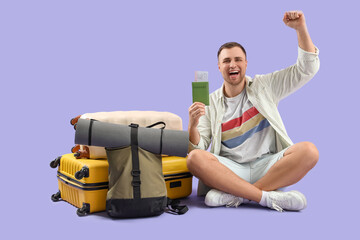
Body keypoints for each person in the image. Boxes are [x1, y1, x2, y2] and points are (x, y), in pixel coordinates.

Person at [187, 10, 320, 212]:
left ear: (246, 64)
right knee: (194, 159)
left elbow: (306, 70)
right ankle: (267, 197)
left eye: (238, 59)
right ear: (219, 67)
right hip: (231, 171)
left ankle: (239, 196)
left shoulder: (264, 86)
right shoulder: (209, 102)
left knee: (309, 151)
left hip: (267, 166)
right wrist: (193, 124)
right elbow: (198, 149)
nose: (233, 64)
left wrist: (300, 28)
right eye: (226, 61)